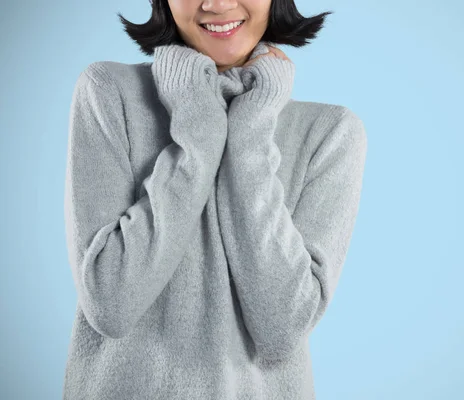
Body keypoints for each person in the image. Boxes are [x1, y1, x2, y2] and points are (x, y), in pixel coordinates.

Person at [62, 0, 367, 398]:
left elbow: (283, 328)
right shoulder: (109, 92)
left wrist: (250, 128)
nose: (218, 4)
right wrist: (198, 128)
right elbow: (110, 305)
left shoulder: (329, 133)